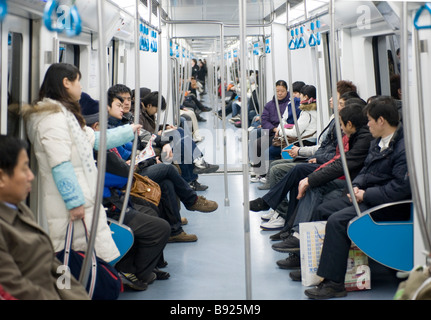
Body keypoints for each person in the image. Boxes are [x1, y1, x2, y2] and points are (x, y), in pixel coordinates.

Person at [23, 63, 141, 264]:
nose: (81, 87)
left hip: (83, 198)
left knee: (89, 259)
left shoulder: (64, 115)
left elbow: (95, 139)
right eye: (78, 82)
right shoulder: (50, 119)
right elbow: (60, 163)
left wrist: (129, 130)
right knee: (72, 259)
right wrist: (74, 202)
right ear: (66, 83)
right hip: (69, 204)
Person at [304, 96, 411, 299]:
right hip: (369, 195)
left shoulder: (402, 149)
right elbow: (366, 169)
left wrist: (366, 193)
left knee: (337, 221)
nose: (367, 124)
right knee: (323, 209)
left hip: (389, 204)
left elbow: (400, 188)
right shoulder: (378, 141)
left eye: (370, 120)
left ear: (381, 121)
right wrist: (356, 186)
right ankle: (319, 269)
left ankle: (334, 283)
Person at [79, 92, 172, 290]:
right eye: (120, 103)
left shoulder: (103, 145)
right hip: (109, 205)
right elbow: (122, 176)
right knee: (159, 222)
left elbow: (126, 154)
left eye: (127, 102)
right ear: (95, 127)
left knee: (156, 202)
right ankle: (138, 271)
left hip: (116, 196)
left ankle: (147, 266)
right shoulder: (96, 152)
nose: (125, 106)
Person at [273, 102, 371, 269]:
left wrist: (311, 178)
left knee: (313, 190)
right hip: (349, 181)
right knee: (309, 185)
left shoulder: (365, 139)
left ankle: (299, 245)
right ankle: (298, 244)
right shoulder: (357, 136)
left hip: (355, 187)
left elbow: (343, 164)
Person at [0, 134, 90, 300]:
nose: (31, 176)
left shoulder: (20, 211)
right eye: (24, 168)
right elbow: (15, 289)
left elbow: (56, 269)